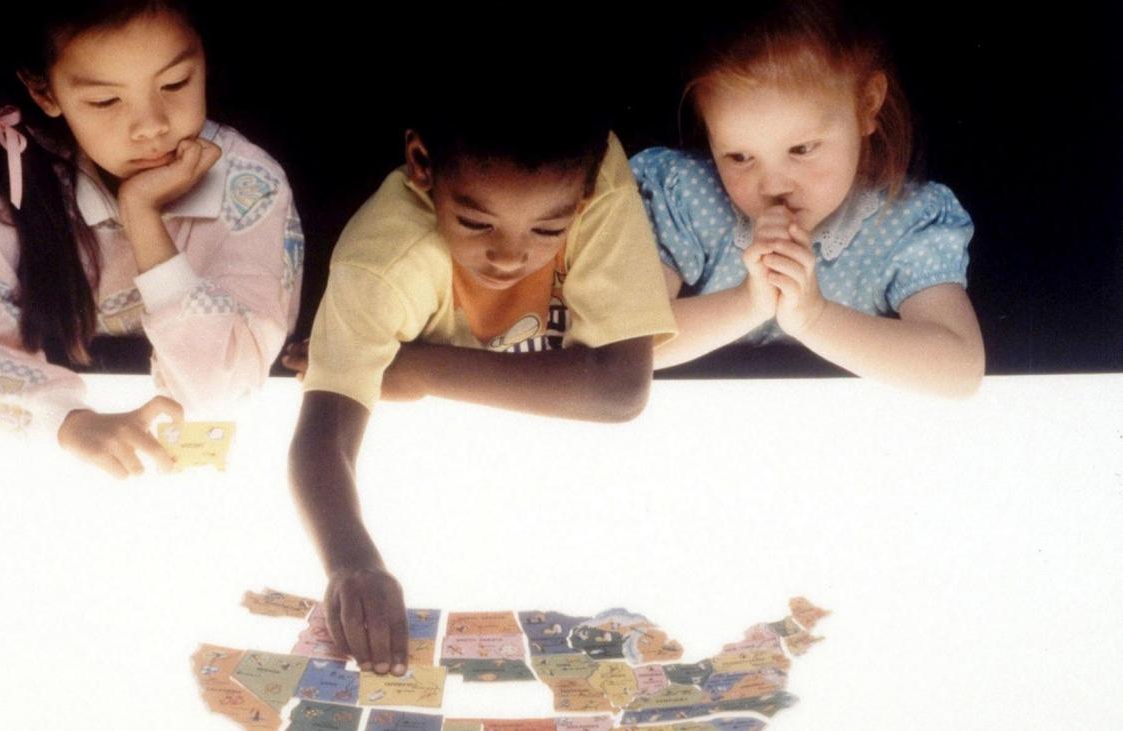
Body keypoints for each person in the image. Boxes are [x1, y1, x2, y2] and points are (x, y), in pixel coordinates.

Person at [282, 77, 676, 676]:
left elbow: (622, 388)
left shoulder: (588, 175)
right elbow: (323, 433)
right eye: (475, 223)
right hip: (436, 471)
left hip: (570, 480)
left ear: (589, 187)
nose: (510, 255)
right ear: (422, 164)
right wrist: (350, 560)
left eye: (548, 230)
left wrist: (418, 368)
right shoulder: (380, 261)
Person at [0, 1, 302, 477]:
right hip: (63, 446)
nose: (151, 126)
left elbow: (223, 391)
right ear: (44, 92)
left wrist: (144, 218)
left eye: (175, 83)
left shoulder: (251, 185)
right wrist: (67, 422)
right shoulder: (19, 173)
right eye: (105, 101)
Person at [631, 0, 984, 396]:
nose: (773, 185)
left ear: (867, 105)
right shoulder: (685, 198)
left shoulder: (906, 220)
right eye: (740, 157)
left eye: (801, 149)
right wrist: (748, 303)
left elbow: (960, 370)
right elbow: (621, 343)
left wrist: (814, 318)